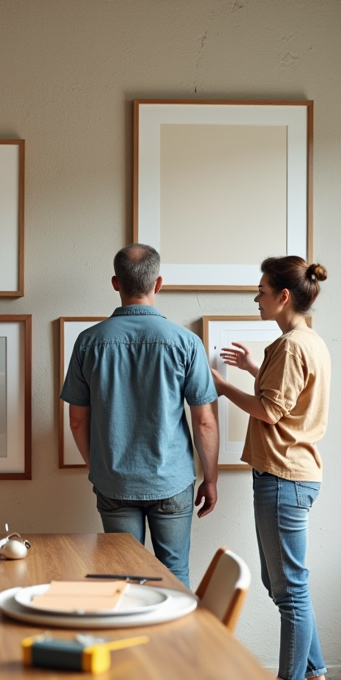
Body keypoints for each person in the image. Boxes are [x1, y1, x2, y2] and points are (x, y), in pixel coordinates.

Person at [211, 255, 338, 680]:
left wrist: (223, 387)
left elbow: (270, 411)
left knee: (290, 589)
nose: (256, 299)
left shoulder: (290, 347)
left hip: (283, 476)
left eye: (261, 291)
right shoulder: (306, 342)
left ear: (284, 296)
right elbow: (284, 397)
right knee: (284, 583)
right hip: (294, 474)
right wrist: (251, 368)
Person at [60, 244, 219, 588]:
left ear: (116, 283)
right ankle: (176, 643)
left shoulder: (88, 342)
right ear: (158, 283)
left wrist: (97, 465)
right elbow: (204, 421)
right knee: (175, 575)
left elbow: (76, 420)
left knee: (123, 579)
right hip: (172, 481)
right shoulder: (186, 342)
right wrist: (211, 478)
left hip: (114, 481)